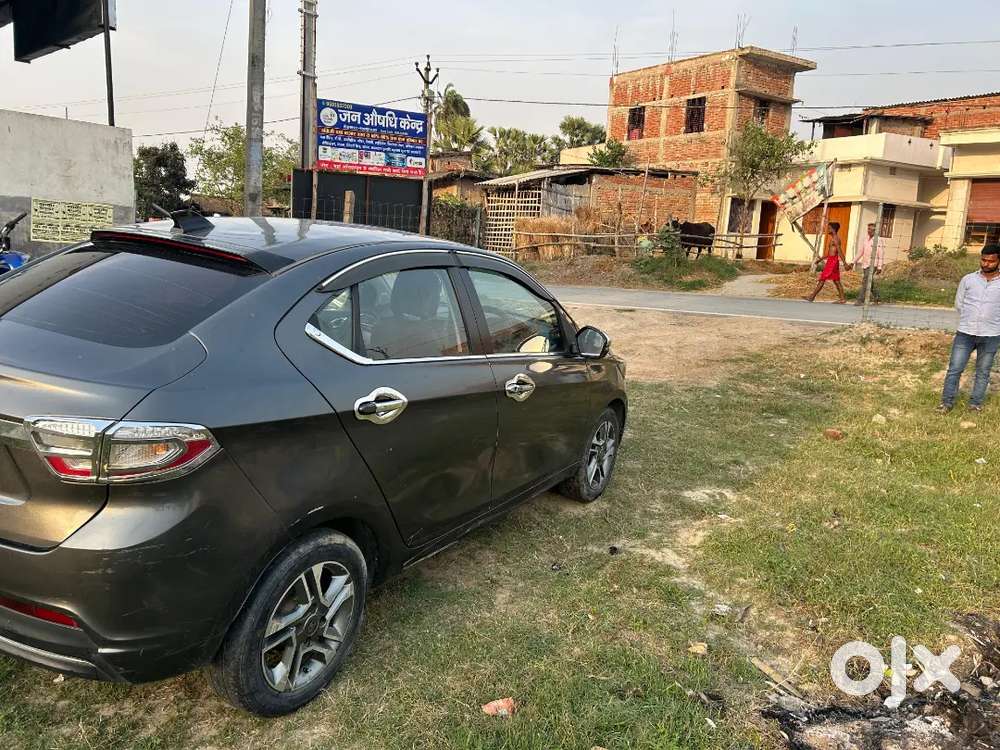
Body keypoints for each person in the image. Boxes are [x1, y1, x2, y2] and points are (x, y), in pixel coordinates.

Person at [938, 244, 1000, 413]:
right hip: (965, 333)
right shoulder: (968, 280)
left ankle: (975, 404)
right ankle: (946, 403)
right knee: (955, 369)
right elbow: (959, 304)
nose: (986, 264)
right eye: (984, 260)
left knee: (983, 372)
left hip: (991, 335)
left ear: (998, 261)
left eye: (991, 261)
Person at [803, 222, 847, 304]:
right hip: (832, 261)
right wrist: (820, 260)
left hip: (832, 262)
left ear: (833, 229)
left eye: (829, 228)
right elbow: (829, 253)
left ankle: (812, 297)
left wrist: (845, 263)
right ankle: (842, 299)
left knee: (823, 278)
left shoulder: (835, 239)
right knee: (836, 281)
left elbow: (840, 251)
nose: (828, 229)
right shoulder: (833, 239)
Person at [850, 222, 886, 305]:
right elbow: (860, 252)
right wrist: (853, 262)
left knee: (865, 281)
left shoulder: (879, 240)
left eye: (871, 229)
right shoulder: (865, 239)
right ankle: (877, 297)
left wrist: (880, 267)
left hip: (874, 264)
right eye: (868, 229)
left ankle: (860, 300)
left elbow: (881, 254)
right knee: (869, 282)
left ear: (875, 231)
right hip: (865, 263)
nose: (869, 231)